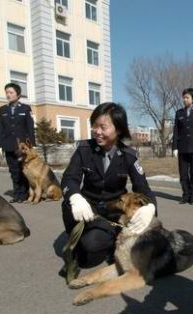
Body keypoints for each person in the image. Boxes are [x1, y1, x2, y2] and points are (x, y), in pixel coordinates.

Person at [61, 102, 157, 270]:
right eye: (95, 126)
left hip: (112, 211)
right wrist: (76, 197)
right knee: (68, 204)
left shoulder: (129, 156)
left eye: (103, 127)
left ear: (118, 129)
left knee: (91, 246)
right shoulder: (84, 149)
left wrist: (150, 208)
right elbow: (70, 178)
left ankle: (111, 237)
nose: (97, 131)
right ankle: (79, 239)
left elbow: (143, 188)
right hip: (87, 207)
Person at [0, 82, 35, 203]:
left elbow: (30, 127)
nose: (8, 95)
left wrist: (32, 144)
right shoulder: (3, 109)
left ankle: (24, 194)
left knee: (22, 170)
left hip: (22, 147)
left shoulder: (25, 109)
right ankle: (16, 194)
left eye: (11, 92)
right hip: (8, 145)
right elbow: (0, 128)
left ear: (18, 95)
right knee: (13, 171)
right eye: (7, 92)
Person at [172, 88, 193, 204]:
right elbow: (176, 131)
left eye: (187, 97)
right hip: (182, 148)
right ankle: (185, 195)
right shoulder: (179, 113)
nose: (185, 99)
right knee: (183, 174)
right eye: (184, 97)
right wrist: (175, 147)